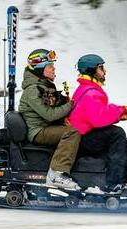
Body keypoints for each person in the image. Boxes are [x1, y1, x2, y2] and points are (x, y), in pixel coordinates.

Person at [68, 54, 127, 192]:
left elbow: (99, 113)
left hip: (83, 134)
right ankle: (115, 183)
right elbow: (98, 118)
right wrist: (122, 111)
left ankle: (110, 174)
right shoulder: (90, 92)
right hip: (82, 137)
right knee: (117, 134)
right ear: (91, 70)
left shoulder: (87, 89)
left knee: (115, 134)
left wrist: (122, 114)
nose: (104, 71)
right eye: (101, 68)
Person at [18, 49, 81, 190]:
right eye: (50, 66)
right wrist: (71, 104)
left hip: (45, 126)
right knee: (72, 132)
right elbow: (49, 114)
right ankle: (55, 175)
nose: (54, 69)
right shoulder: (33, 90)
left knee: (76, 127)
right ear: (40, 68)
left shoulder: (43, 86)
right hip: (37, 131)